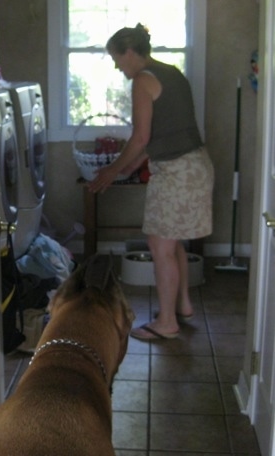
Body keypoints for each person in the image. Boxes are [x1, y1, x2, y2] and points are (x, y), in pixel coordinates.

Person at [88, 24, 214, 340]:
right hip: (195, 165)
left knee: (160, 245)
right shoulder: (171, 72)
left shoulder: (143, 80)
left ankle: (167, 323)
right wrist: (128, 167)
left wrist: (112, 170)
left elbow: (140, 137)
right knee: (172, 242)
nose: (117, 66)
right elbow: (162, 135)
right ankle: (182, 306)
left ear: (130, 52)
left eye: (117, 59)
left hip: (176, 172)